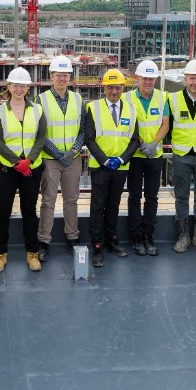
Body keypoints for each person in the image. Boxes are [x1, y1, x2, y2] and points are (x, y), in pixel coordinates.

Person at [0, 67, 47, 272]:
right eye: (15, 85)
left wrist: (29, 161)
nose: (19, 89)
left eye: (22, 85)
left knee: (29, 211)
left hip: (31, 168)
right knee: (3, 212)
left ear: (28, 87)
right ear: (9, 86)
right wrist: (17, 163)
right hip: (7, 168)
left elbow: (41, 138)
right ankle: (1, 254)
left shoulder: (37, 109)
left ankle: (32, 253)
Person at [83, 68, 140, 267]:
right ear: (103, 88)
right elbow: (89, 138)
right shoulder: (93, 108)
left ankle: (111, 240)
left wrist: (122, 160)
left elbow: (134, 140)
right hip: (100, 167)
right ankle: (97, 245)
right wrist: (105, 160)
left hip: (120, 168)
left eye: (117, 87)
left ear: (123, 88)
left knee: (114, 205)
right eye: (110, 87)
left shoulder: (132, 110)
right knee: (98, 206)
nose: (114, 91)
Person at [34, 55, 84, 260]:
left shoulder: (78, 99)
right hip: (50, 159)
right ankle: (44, 240)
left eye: (65, 75)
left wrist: (72, 152)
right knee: (48, 201)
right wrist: (57, 154)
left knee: (71, 200)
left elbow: (83, 130)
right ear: (51, 76)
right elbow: (39, 133)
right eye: (58, 75)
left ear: (70, 77)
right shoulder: (41, 100)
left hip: (73, 158)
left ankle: (72, 237)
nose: (62, 79)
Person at [168, 59, 196, 254]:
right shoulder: (172, 99)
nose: (195, 83)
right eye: (192, 78)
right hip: (181, 155)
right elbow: (167, 126)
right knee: (181, 197)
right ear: (184, 79)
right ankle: (184, 235)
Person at [126, 59, 170, 256]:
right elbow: (125, 125)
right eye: (145, 78)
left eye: (152, 79)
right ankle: (136, 235)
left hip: (154, 155)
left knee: (152, 197)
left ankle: (149, 235)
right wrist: (141, 143)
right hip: (135, 155)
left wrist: (153, 144)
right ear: (138, 78)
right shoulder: (127, 99)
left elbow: (165, 124)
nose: (149, 82)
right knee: (134, 197)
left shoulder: (163, 97)